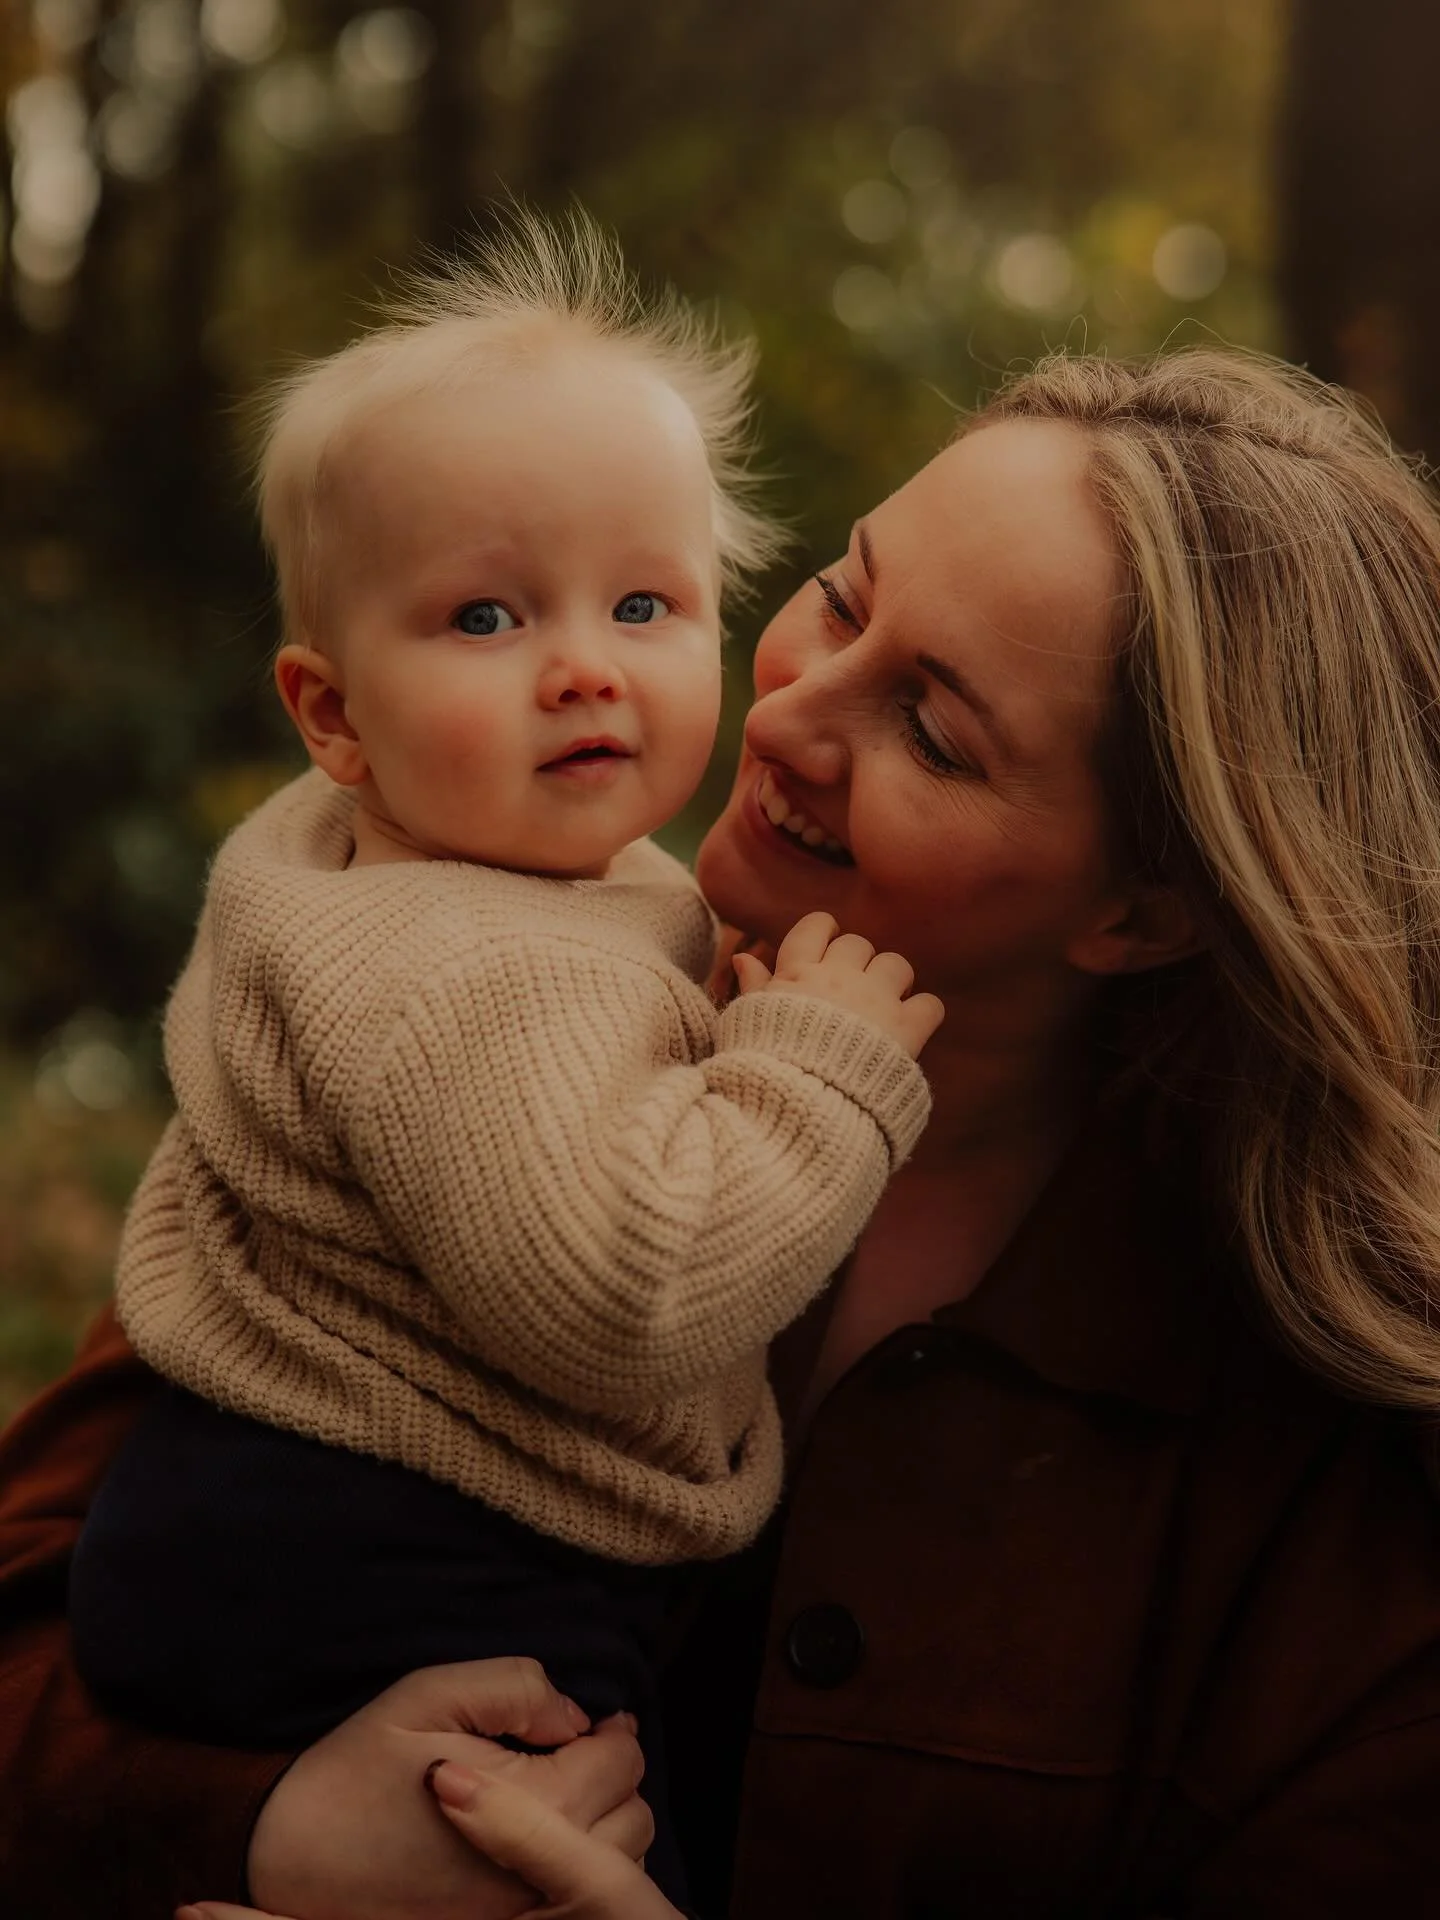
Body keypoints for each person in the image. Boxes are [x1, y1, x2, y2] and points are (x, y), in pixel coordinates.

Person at [6, 343, 1440, 1919]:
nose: (790, 721)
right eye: (840, 595)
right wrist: (257, 1829)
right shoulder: (489, 987)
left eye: (937, 735)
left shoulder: (1332, 1483)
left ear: (1146, 905)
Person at [58, 205, 940, 1911]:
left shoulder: (433, 875)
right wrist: (812, 1072)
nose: (583, 669)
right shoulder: (466, 962)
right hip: (397, 1560)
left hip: (268, 1518)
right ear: (330, 713)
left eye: (642, 599)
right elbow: (623, 1290)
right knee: (582, 1858)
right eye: (484, 619)